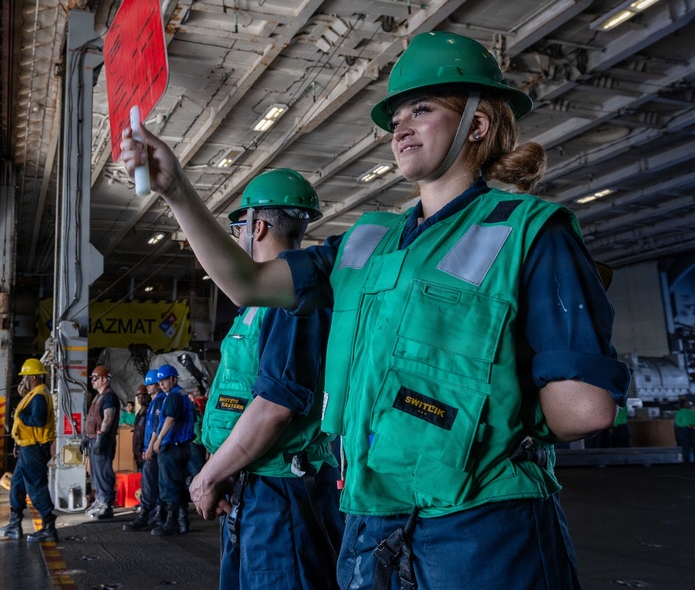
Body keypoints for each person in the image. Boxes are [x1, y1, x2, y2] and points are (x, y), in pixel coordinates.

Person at [121, 31, 631, 588]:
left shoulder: (529, 230)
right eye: (395, 117)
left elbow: (585, 410)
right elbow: (246, 284)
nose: (400, 127)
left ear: (477, 126)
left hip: (483, 528)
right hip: (371, 522)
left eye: (421, 108)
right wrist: (175, 190)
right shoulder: (365, 240)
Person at [189, 169, 344, 588]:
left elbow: (275, 407)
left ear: (257, 226)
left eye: (239, 226)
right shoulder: (257, 307)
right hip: (256, 485)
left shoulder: (292, 303)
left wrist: (207, 477)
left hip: (284, 496)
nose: (238, 235)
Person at [0, 358, 59, 543]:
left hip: (34, 449)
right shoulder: (34, 394)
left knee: (36, 487)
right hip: (27, 447)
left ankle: (49, 527)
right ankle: (14, 525)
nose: (22, 380)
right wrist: (18, 444)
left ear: (32, 377)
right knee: (17, 485)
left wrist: (21, 415)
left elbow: (37, 420)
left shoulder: (39, 395)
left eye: (24, 377)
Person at [150, 364, 195, 537]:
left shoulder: (174, 396)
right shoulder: (182, 394)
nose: (161, 384)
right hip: (183, 446)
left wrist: (159, 439)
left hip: (172, 446)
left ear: (174, 379)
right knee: (179, 484)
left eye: (164, 380)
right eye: (160, 381)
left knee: (168, 485)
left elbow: (170, 419)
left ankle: (172, 522)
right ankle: (183, 522)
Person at [124, 369, 167, 532]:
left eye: (151, 384)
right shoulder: (153, 403)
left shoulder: (159, 401)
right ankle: (154, 514)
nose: (148, 387)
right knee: (150, 483)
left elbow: (157, 427)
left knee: (151, 484)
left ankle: (148, 514)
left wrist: (149, 448)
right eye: (147, 384)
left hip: (153, 450)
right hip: (148, 449)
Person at [84, 365, 120, 519]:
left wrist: (100, 439)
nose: (92, 381)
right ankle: (100, 500)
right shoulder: (99, 396)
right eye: (92, 378)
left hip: (103, 440)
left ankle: (106, 505)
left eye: (95, 378)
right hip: (94, 439)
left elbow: (108, 418)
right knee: (96, 473)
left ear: (104, 379)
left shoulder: (109, 396)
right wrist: (87, 438)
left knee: (103, 472)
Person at [132, 384, 150, 471]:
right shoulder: (139, 413)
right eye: (138, 397)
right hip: (138, 449)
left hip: (145, 449)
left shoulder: (149, 411)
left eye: (142, 397)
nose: (140, 399)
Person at [676, 398, 695, 463]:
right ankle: (686, 461)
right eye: (687, 403)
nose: (689, 404)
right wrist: (686, 425)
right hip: (685, 430)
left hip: (693, 429)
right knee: (686, 446)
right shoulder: (680, 412)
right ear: (683, 405)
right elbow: (678, 422)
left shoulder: (692, 412)